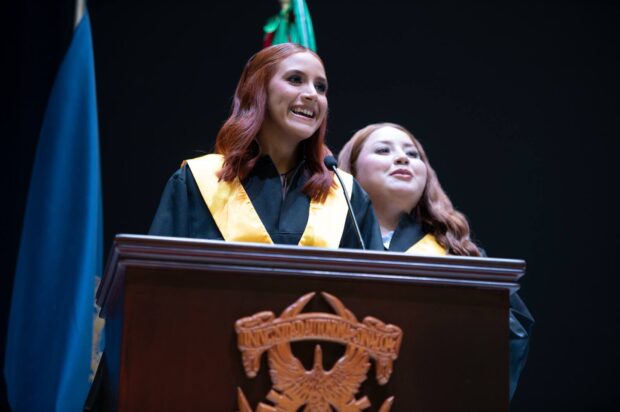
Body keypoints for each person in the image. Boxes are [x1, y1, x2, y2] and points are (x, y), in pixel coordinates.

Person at [338, 122, 533, 399]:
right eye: (383, 150)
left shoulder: (457, 252)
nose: (402, 158)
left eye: (413, 154)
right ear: (351, 171)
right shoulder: (327, 239)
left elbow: (510, 334)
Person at [149, 43, 381, 250]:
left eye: (320, 87)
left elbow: (372, 281)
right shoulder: (198, 182)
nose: (312, 94)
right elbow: (157, 274)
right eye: (295, 79)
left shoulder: (345, 196)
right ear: (258, 90)